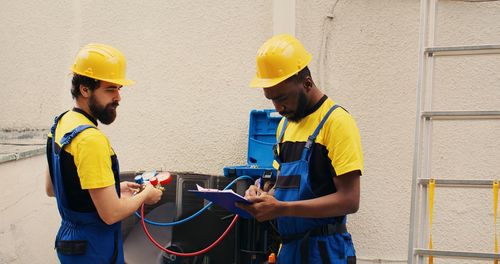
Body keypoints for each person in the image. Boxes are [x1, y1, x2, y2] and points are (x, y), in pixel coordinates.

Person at [237, 34, 363, 264]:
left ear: (306, 83)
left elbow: (350, 200)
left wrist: (282, 208)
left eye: (283, 97)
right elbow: (281, 185)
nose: (278, 107)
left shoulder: (337, 122)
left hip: (325, 253)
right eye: (271, 99)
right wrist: (262, 195)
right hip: (290, 250)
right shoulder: (285, 126)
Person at [45, 43, 163, 264]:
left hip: (70, 245)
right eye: (110, 89)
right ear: (85, 89)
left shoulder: (60, 125)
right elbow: (111, 214)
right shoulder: (91, 139)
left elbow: (54, 189)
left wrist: (112, 189)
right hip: (95, 248)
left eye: (119, 88)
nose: (118, 97)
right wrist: (145, 195)